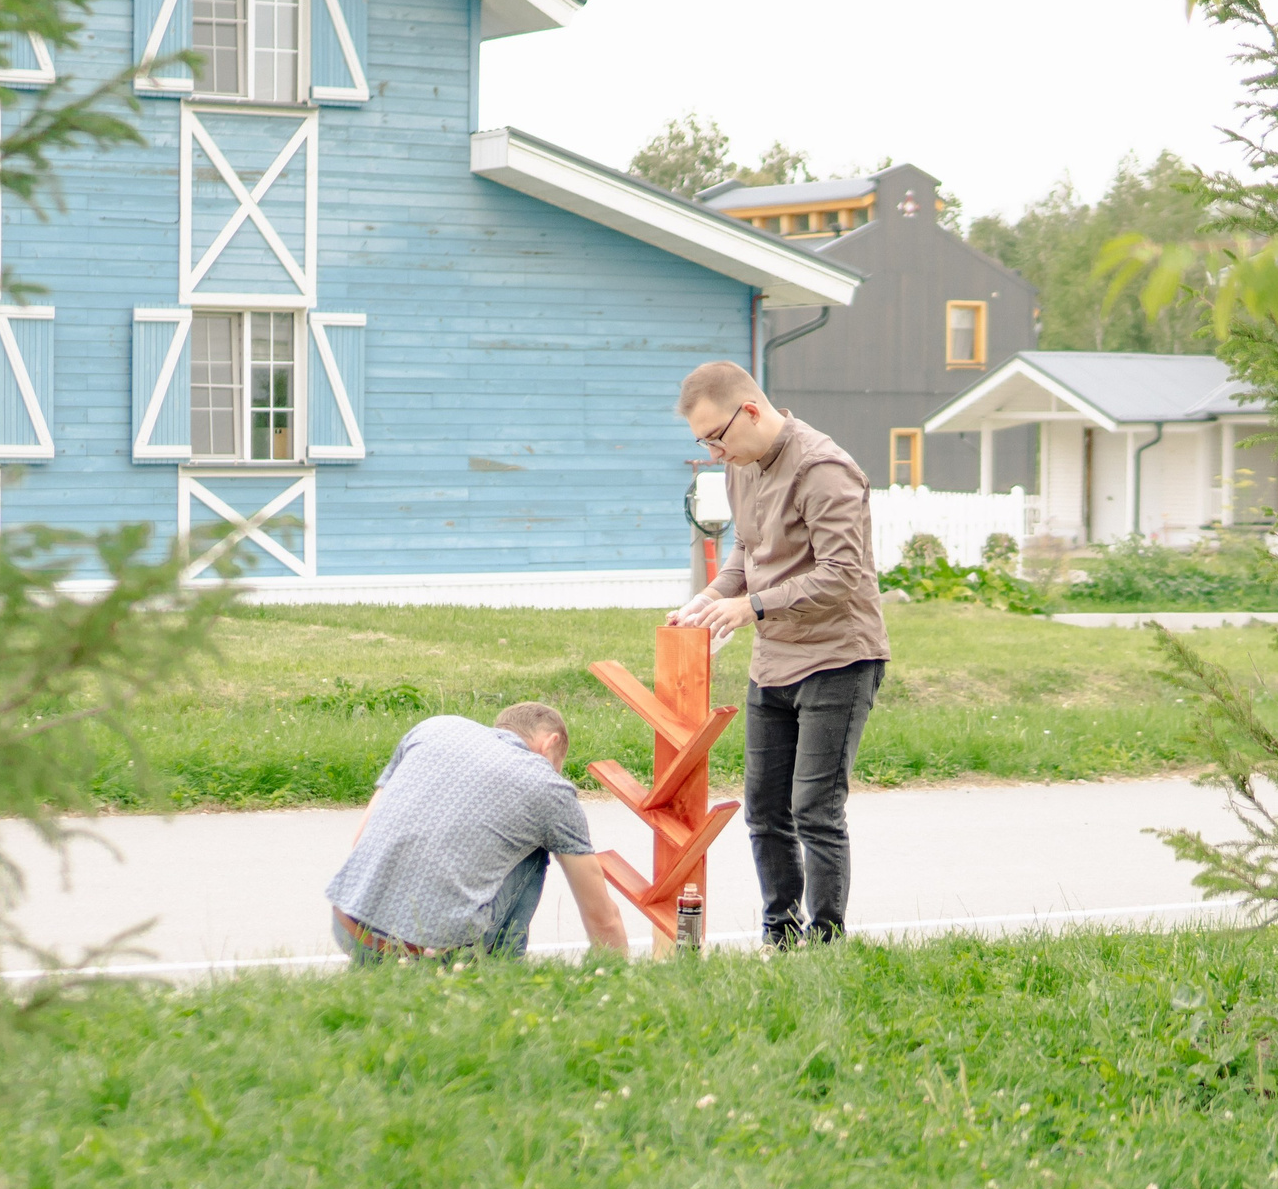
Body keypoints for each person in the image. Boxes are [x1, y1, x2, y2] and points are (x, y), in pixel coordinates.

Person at [668, 361, 888, 944]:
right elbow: (747, 547)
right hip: (774, 662)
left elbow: (843, 574)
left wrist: (753, 607)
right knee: (764, 810)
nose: (715, 453)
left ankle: (825, 944)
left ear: (752, 411)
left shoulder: (824, 468)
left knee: (814, 809)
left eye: (717, 437)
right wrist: (712, 597)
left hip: (838, 659)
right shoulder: (741, 467)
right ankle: (781, 938)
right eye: (702, 442)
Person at [326, 701, 628, 962]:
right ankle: (499, 974)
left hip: (349, 925)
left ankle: (375, 966)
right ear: (549, 744)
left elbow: (360, 838)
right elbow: (601, 916)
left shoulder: (433, 728)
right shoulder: (548, 787)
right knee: (538, 845)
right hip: (431, 954)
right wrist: (616, 975)